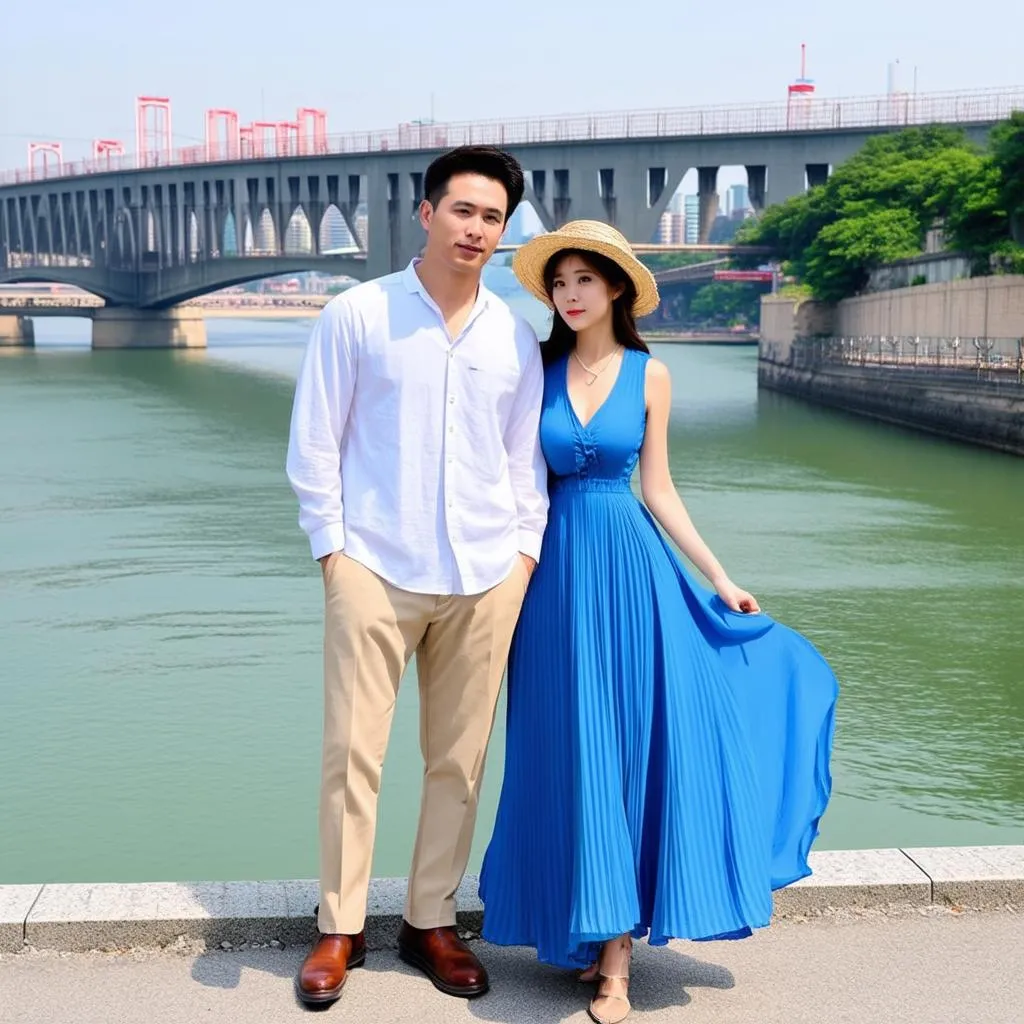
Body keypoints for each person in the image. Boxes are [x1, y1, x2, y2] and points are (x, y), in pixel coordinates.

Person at [478, 220, 839, 1024]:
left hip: (630, 576)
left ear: (615, 289)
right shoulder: (535, 370)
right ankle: (582, 929)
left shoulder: (652, 375)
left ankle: (616, 966)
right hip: (548, 582)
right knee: (565, 751)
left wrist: (721, 576)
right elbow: (501, 474)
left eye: (583, 281)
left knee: (624, 751)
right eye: (559, 283)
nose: (570, 296)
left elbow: (661, 490)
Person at [285, 145, 548, 1008]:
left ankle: (430, 920)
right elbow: (316, 442)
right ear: (427, 213)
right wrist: (334, 551)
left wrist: (522, 558)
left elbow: (522, 464)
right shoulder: (358, 314)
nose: (477, 229)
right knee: (351, 753)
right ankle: (340, 926)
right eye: (464, 211)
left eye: (493, 219)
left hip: (483, 571)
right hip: (374, 562)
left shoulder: (513, 335)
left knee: (458, 759)